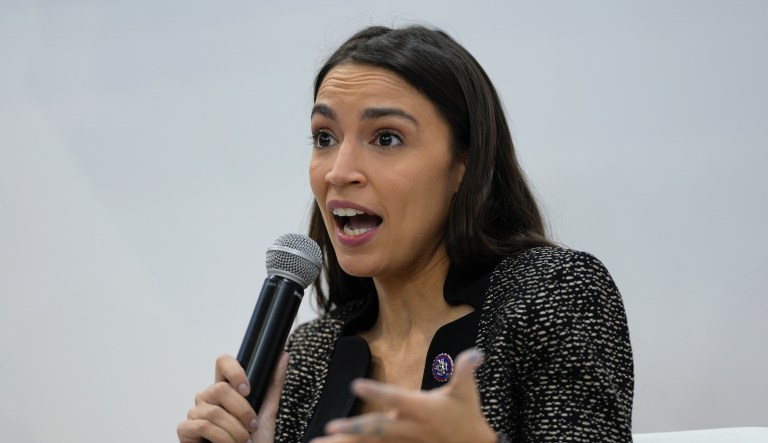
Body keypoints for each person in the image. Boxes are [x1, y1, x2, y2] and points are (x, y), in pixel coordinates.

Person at [178, 25, 634, 443]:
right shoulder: (310, 354)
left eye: (386, 138)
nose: (339, 171)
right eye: (324, 137)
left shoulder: (552, 293)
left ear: (464, 165)